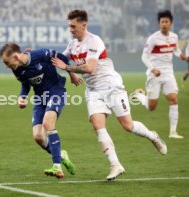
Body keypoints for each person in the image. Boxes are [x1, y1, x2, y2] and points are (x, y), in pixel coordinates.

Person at [51, 9, 167, 181]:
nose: (71, 30)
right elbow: (59, 58)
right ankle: (115, 164)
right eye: (69, 26)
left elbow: (89, 68)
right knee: (98, 125)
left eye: (73, 26)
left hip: (111, 86)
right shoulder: (73, 44)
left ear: (84, 25)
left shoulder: (94, 41)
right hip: (93, 90)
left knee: (127, 125)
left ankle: (153, 136)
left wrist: (68, 69)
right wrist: (35, 55)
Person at [0, 42, 77, 179]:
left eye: (7, 62)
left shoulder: (40, 54)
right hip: (40, 99)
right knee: (38, 137)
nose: (6, 66)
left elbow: (63, 58)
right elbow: (25, 84)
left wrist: (72, 74)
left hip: (56, 91)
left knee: (48, 124)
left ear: (16, 56)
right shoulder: (16, 69)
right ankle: (61, 154)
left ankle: (57, 167)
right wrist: (21, 97)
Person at [132, 10, 187, 139]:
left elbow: (175, 50)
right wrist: (153, 69)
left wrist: (182, 56)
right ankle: (139, 95)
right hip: (155, 75)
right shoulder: (153, 39)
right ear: (159, 23)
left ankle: (173, 132)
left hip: (168, 73)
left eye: (166, 21)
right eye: (162, 22)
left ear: (171, 23)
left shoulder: (174, 36)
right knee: (152, 107)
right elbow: (144, 56)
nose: (164, 24)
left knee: (173, 99)